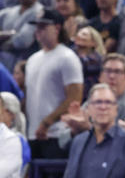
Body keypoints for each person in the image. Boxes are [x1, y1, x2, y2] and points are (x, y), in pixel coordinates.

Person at [24, 12, 84, 155]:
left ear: (57, 28)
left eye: (43, 26)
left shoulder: (67, 57)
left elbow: (74, 98)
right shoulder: (32, 59)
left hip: (56, 133)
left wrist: (47, 122)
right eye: (37, 26)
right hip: (33, 133)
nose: (38, 30)